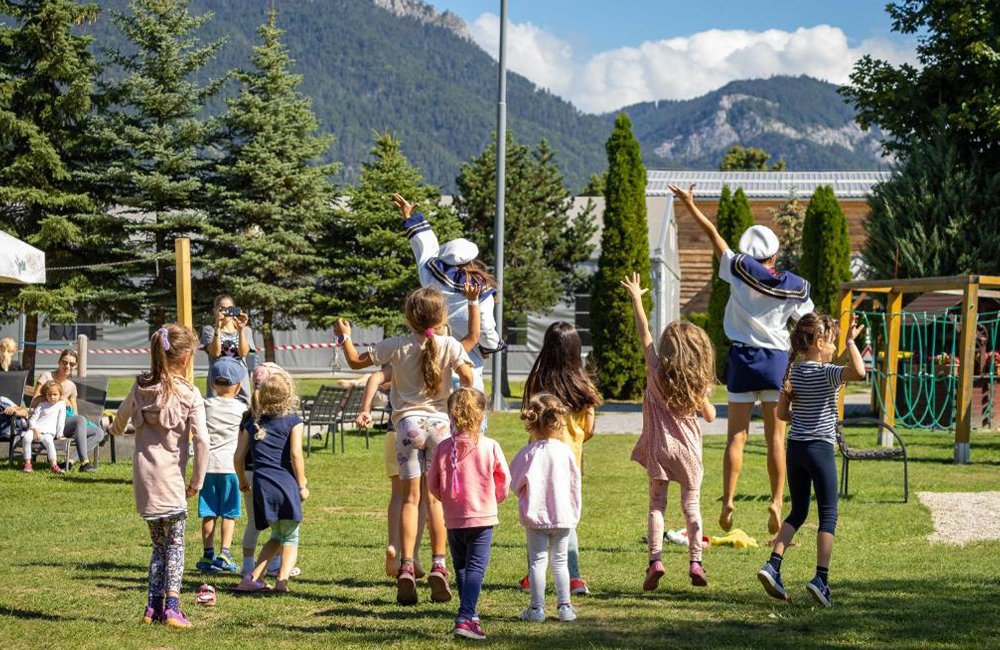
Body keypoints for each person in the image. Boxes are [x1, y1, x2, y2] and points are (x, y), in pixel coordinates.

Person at [669, 183, 813, 534]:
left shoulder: (738, 270)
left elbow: (714, 234)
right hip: (777, 361)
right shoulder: (791, 284)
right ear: (775, 256)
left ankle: (729, 499)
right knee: (776, 440)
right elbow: (808, 322)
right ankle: (778, 501)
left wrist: (689, 204)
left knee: (737, 437)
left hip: (742, 360)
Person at [336, 286, 475, 606]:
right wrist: (461, 405)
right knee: (436, 502)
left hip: (407, 427)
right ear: (441, 316)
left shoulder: (395, 346)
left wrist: (344, 336)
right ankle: (440, 564)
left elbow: (357, 363)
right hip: (441, 427)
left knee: (410, 501)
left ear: (408, 317)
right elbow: (467, 377)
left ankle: (407, 567)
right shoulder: (449, 345)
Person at [758, 313, 865, 608]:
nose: (834, 346)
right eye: (831, 341)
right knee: (828, 512)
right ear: (818, 343)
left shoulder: (793, 371)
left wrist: (801, 418)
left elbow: (781, 414)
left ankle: (773, 565)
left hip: (795, 449)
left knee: (799, 510)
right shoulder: (827, 373)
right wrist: (852, 342)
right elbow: (859, 372)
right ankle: (821, 580)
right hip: (819, 448)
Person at [109, 324, 209, 629]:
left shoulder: (141, 386)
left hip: (145, 481)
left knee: (158, 546)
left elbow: (120, 420)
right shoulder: (189, 393)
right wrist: (198, 481)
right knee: (176, 544)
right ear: (187, 357)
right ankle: (173, 607)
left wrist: (112, 429)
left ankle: (152, 606)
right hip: (171, 482)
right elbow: (202, 440)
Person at [622, 272, 717, 591]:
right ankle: (695, 561)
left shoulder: (655, 371)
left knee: (656, 506)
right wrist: (703, 400)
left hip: (661, 451)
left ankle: (656, 560)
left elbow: (643, 333)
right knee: (691, 508)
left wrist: (637, 298)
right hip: (690, 454)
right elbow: (711, 416)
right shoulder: (697, 382)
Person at [518, 322, 601, 596]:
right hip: (570, 465)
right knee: (565, 520)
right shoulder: (584, 385)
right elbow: (589, 429)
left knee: (537, 518)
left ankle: (535, 573)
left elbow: (531, 423)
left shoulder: (539, 383)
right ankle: (573, 577)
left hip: (540, 463)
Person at [394, 193, 504, 392]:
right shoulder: (479, 291)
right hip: (466, 365)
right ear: (472, 261)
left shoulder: (430, 276)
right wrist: (492, 345)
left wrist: (410, 219)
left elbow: (425, 250)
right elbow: (485, 328)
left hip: (432, 362)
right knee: (468, 415)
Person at [428, 388, 510, 641]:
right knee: (475, 568)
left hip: (453, 518)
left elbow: (432, 484)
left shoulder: (443, 448)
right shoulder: (490, 446)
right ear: (480, 415)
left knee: (462, 566)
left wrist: (449, 501)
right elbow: (504, 481)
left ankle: (470, 613)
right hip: (482, 517)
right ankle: (465, 616)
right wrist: (493, 498)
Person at [234, 365, 308, 594]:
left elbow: (238, 457)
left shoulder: (252, 423)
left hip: (261, 486)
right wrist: (303, 485)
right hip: (285, 485)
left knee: (277, 535)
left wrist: (242, 481)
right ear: (290, 396)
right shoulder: (293, 422)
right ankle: (282, 581)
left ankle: (252, 577)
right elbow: (296, 454)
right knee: (291, 537)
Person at [510, 394, 582, 623]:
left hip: (536, 516)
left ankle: (536, 609)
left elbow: (514, 482)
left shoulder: (528, 453)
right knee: (560, 562)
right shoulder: (565, 452)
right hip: (562, 517)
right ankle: (565, 607)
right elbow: (574, 484)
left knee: (537, 563)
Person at [356, 366, 427, 580]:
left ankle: (394, 546)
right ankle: (412, 553)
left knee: (398, 494)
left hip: (394, 431)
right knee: (420, 497)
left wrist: (366, 408)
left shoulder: (401, 359)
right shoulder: (432, 358)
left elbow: (375, 378)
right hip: (422, 429)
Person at [195, 358, 247, 574]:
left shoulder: (205, 405)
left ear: (213, 384)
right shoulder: (242, 409)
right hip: (231, 467)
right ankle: (225, 553)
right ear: (239, 385)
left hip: (207, 467)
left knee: (208, 513)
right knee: (229, 514)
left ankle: (207, 554)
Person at [15, 349, 103, 472]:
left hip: (63, 424)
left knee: (99, 432)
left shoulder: (71, 386)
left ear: (75, 366)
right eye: (64, 362)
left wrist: (70, 409)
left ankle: (70, 461)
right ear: (59, 362)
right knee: (81, 420)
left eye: (71, 364)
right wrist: (60, 397)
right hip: (46, 423)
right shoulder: (46, 376)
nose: (67, 366)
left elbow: (75, 413)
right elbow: (34, 402)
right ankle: (85, 462)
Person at [201, 294, 255, 401]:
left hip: (241, 384)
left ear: (235, 309)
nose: (226, 312)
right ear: (215, 310)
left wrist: (240, 330)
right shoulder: (209, 330)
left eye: (229, 309)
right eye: (222, 309)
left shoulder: (245, 330)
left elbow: (243, 353)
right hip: (218, 384)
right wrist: (217, 328)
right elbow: (215, 353)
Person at [21, 380, 66, 474]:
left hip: (48, 432)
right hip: (35, 429)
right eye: (49, 394)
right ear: (46, 395)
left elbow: (61, 421)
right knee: (26, 438)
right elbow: (32, 419)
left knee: (49, 443)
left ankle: (54, 465)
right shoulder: (41, 405)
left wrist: (59, 434)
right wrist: (34, 429)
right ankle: (28, 464)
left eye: (55, 394)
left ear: (60, 394)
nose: (52, 397)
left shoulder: (61, 405)